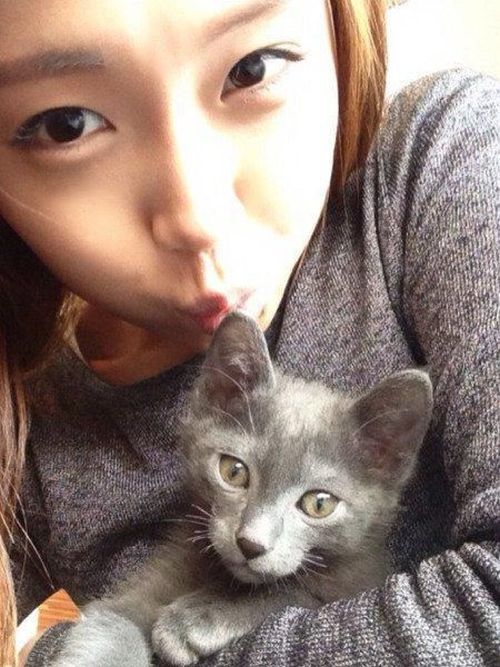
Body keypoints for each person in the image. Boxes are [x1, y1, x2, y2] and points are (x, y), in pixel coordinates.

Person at [0, 0, 498, 665]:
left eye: (252, 68)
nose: (197, 219)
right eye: (65, 124)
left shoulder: (439, 163)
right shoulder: (29, 414)